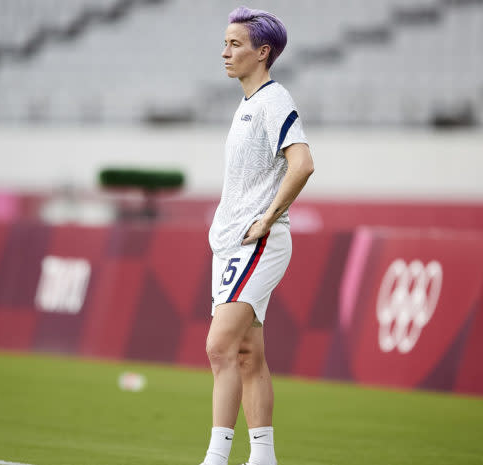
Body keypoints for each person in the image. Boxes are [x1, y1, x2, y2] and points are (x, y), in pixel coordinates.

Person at [200, 6, 314, 465]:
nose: (225, 52)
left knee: (218, 346)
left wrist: (268, 217)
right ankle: (263, 458)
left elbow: (302, 162)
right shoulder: (248, 103)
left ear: (262, 52)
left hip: (257, 242)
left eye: (235, 44)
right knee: (246, 352)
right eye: (225, 43)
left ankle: (215, 457)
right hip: (231, 243)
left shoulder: (273, 101)